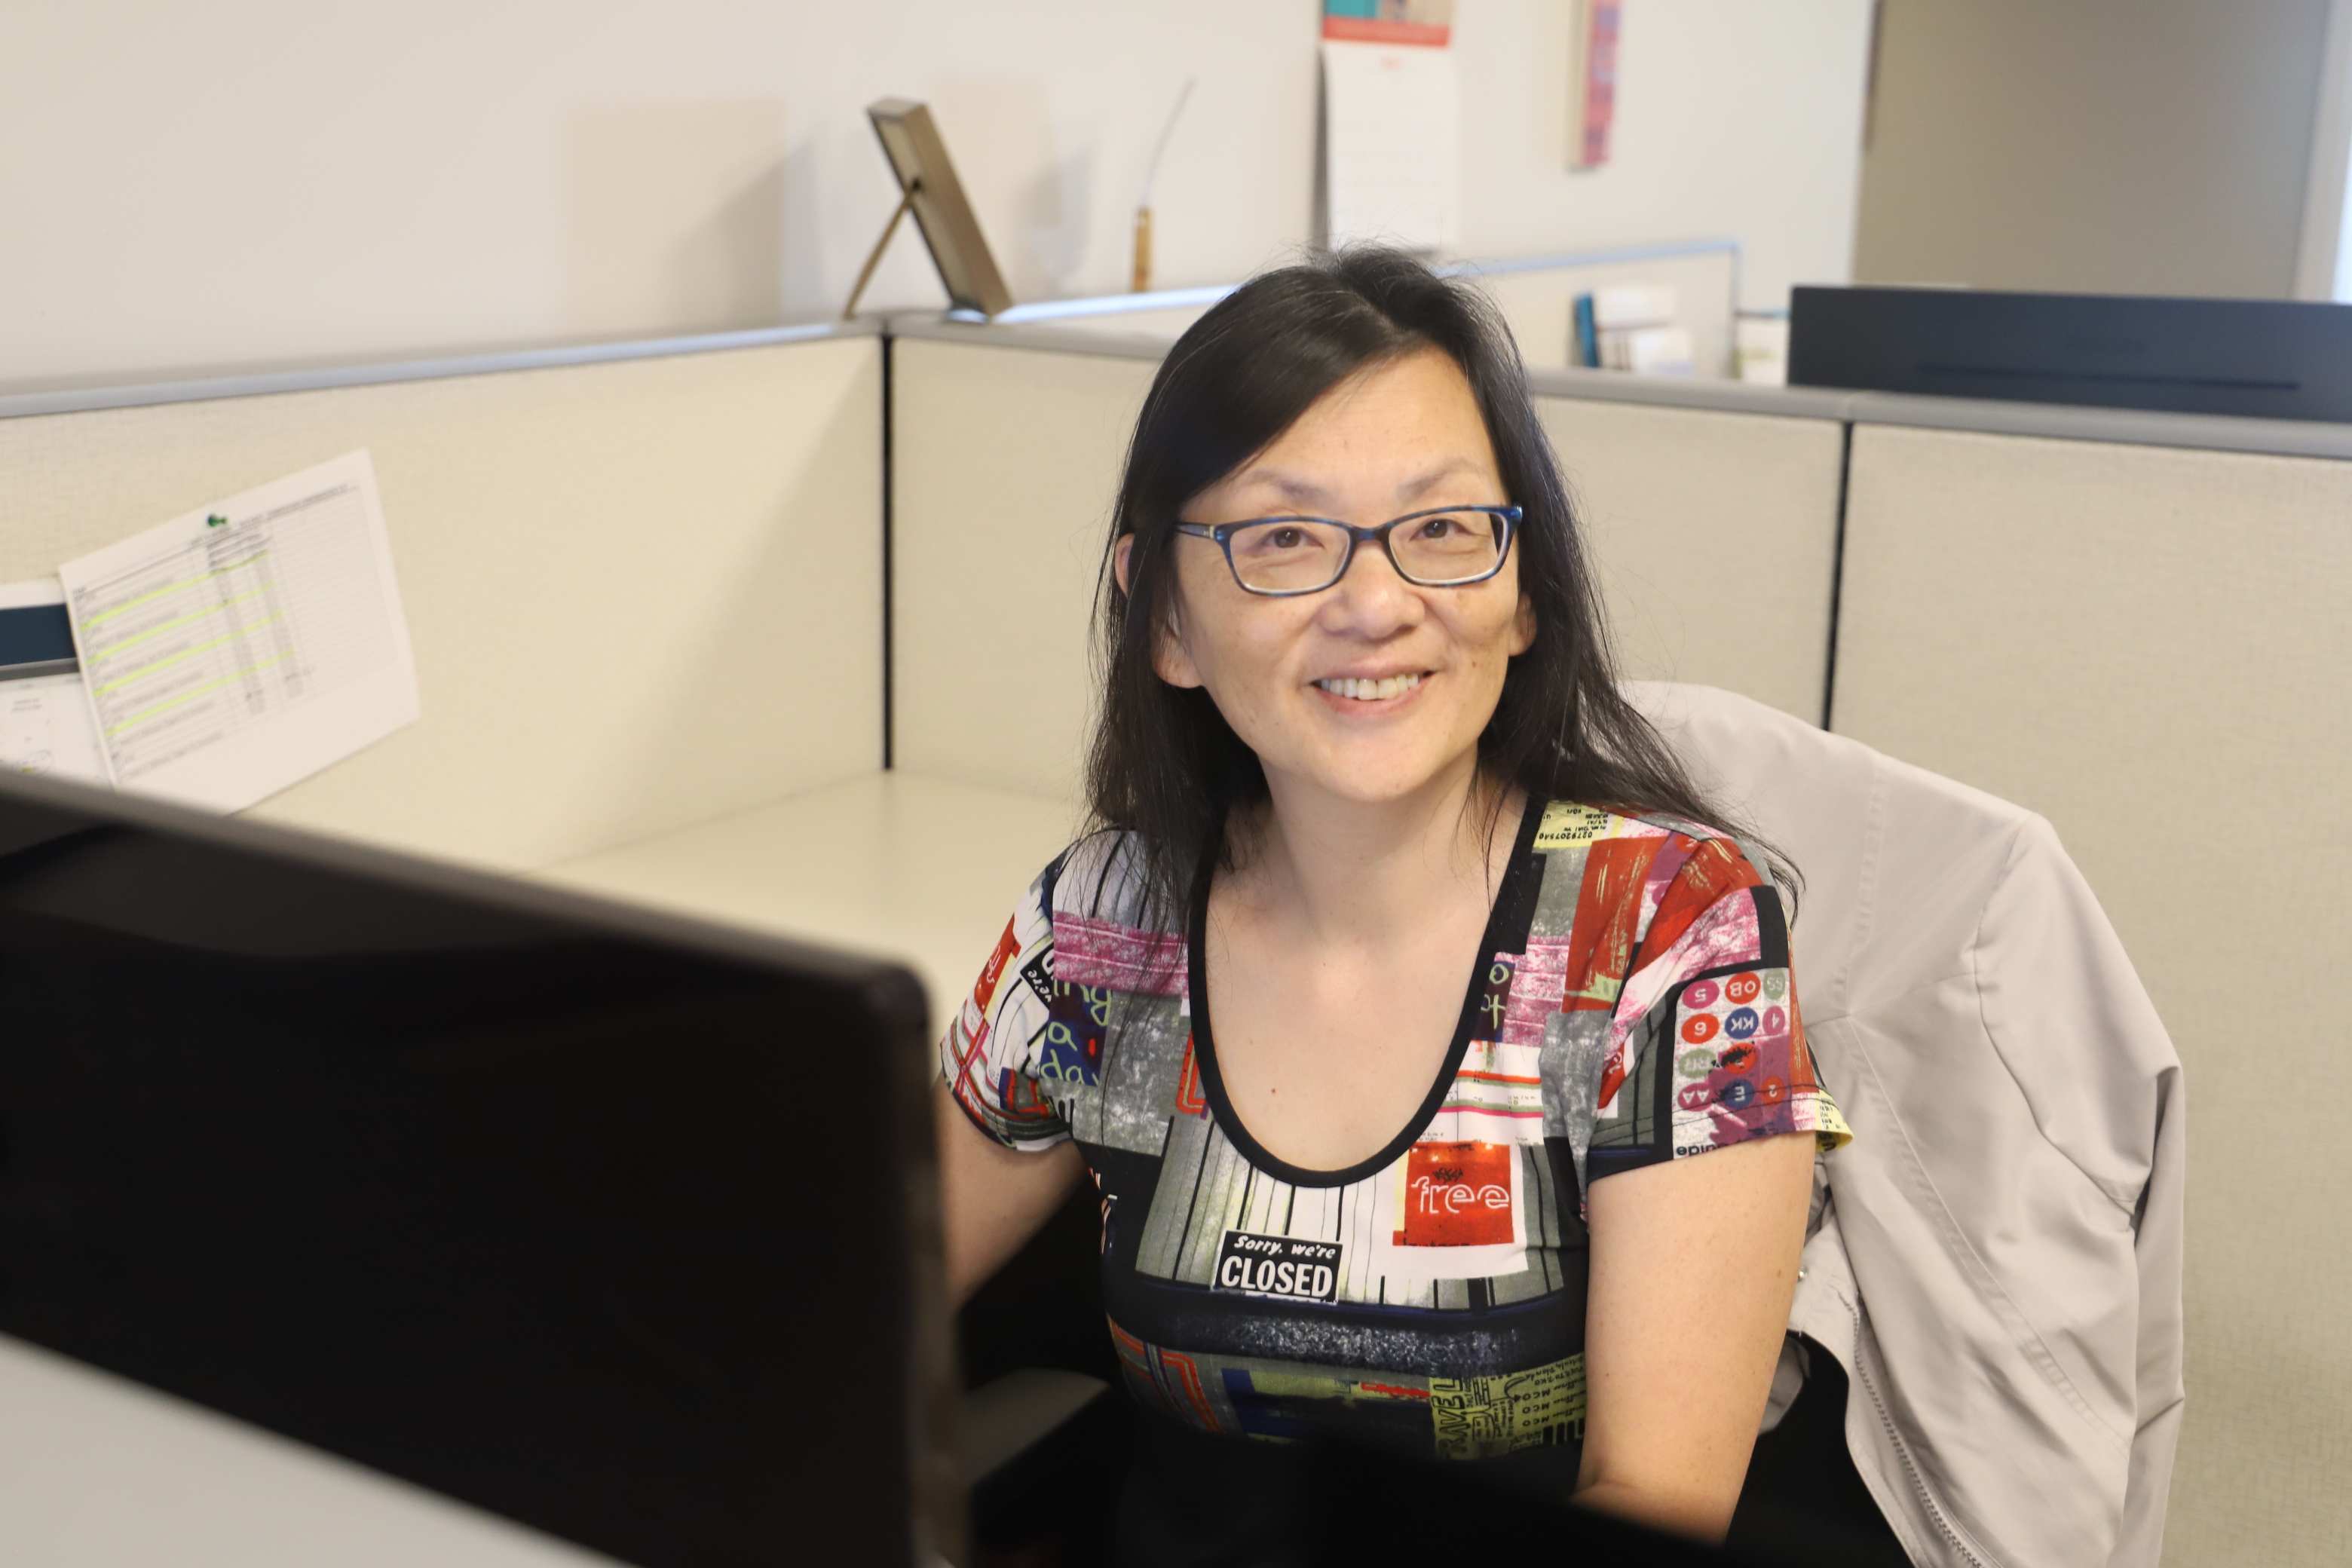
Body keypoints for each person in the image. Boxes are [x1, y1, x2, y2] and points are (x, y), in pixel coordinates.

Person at [934, 248, 1851, 1551]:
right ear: (1166, 621)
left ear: (1523, 591)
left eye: (1440, 530)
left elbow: (1654, 1511)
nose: (1378, 603)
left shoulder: (1665, 937)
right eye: (1285, 538)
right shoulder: (1100, 930)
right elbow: (840, 1301)